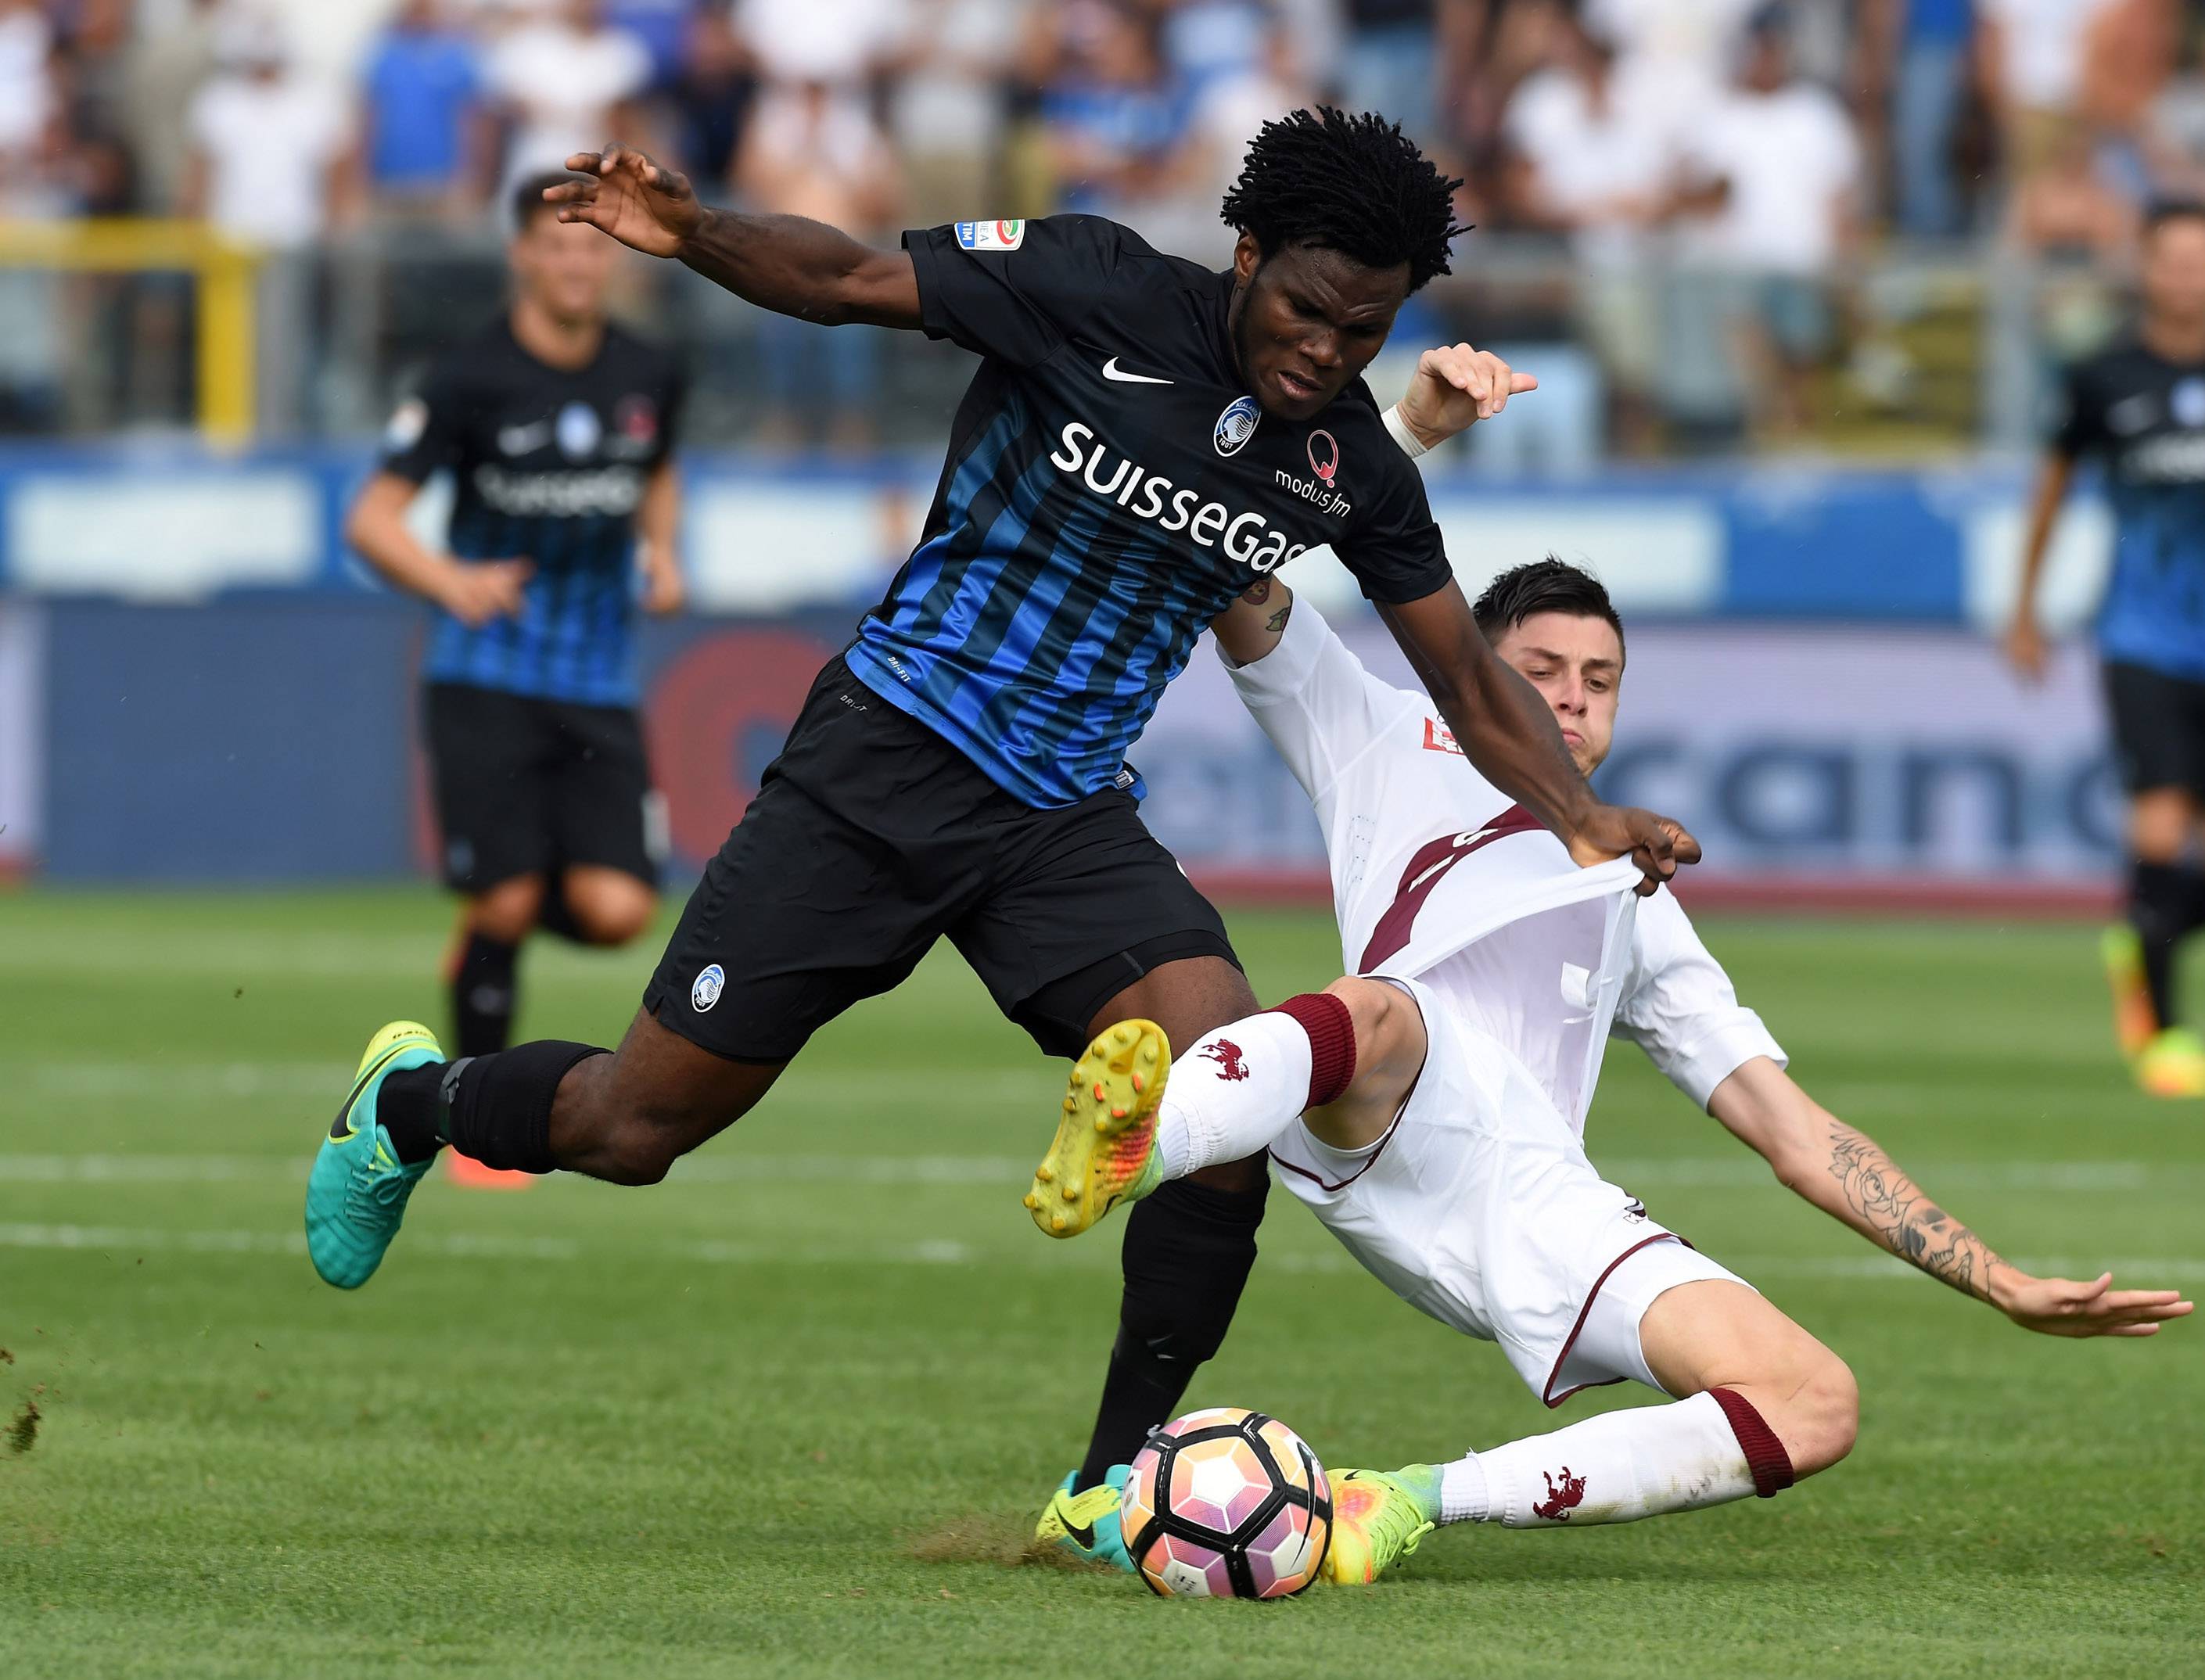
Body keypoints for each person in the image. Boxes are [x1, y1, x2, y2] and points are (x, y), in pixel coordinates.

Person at [301, 103, 1696, 1448]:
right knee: (632, 1125)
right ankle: (404, 1109)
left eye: (1361, 331)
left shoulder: (1344, 467)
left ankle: (1110, 1483)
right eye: (1303, 311)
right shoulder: (1090, 285)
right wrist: (694, 231)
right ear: (1246, 257)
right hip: (884, 759)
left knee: (1229, 1087)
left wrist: (1582, 816)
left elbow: (1461, 672)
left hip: (1060, 815)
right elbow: (847, 278)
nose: (1322, 353)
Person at [1033, 557, 2195, 1581]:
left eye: (1598, 680)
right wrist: (1407, 436)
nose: (1571, 698)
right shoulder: (1383, 735)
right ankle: (1153, 1138)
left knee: (1811, 1401)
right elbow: (1233, 566)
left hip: (1531, 1199)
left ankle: (1397, 1504)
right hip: (1376, 1106)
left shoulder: (1634, 900)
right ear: (1467, 677)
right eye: (1538, 670)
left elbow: (1796, 1136)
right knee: (1385, 1011)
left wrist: (1996, 1281)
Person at [339, 170, 685, 1187]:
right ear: (523, 256)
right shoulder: (467, 378)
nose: (577, 263)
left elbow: (657, 470)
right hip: (482, 671)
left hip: (598, 680)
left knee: (620, 912)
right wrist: (450, 579)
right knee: (502, 905)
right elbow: (369, 519)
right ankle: (475, 1114)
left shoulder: (648, 371)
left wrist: (662, 554)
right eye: (557, 245)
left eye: (592, 248)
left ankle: (494, 910)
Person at [2006, 201, 2205, 1097]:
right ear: (2144, 268)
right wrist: (2024, 608)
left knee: (2163, 877)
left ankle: (2144, 925)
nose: (2186, 277)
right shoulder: (2102, 376)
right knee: (2159, 823)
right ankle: (2162, 1036)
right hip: (2143, 638)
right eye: (2172, 260)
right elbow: (2049, 490)